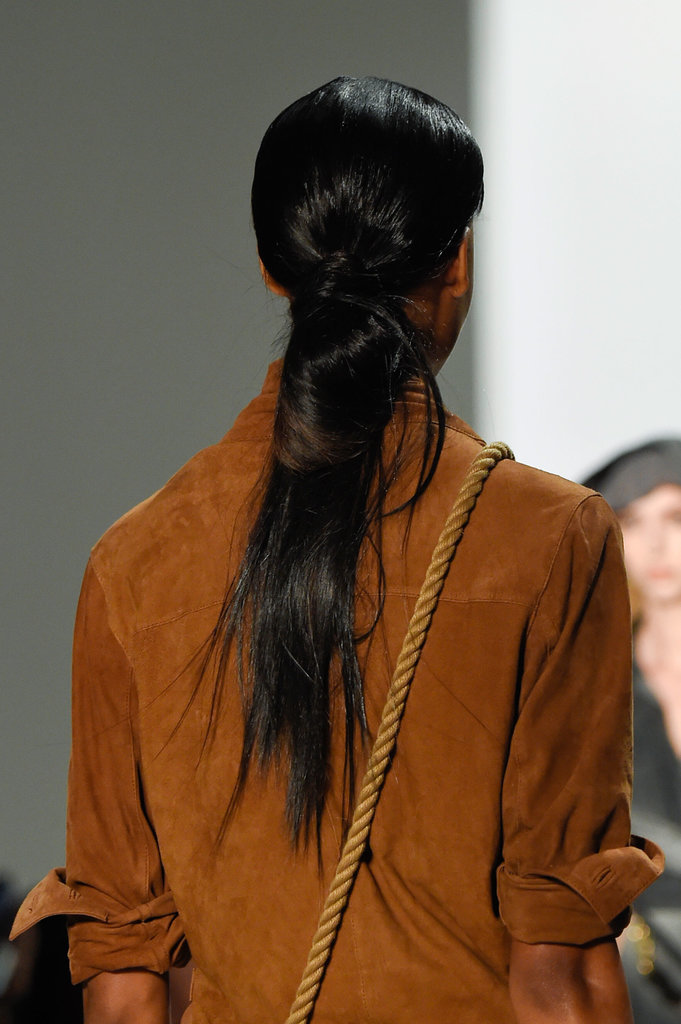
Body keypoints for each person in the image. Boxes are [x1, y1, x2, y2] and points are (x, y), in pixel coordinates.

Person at [11, 76, 662, 1023]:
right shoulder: (549, 534)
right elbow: (557, 971)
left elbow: (123, 987)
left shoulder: (136, 561)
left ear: (273, 270)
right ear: (458, 260)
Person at [583, 439, 681, 1022]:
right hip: (640, 966)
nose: (657, 543)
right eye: (633, 521)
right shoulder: (594, 681)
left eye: (676, 516)